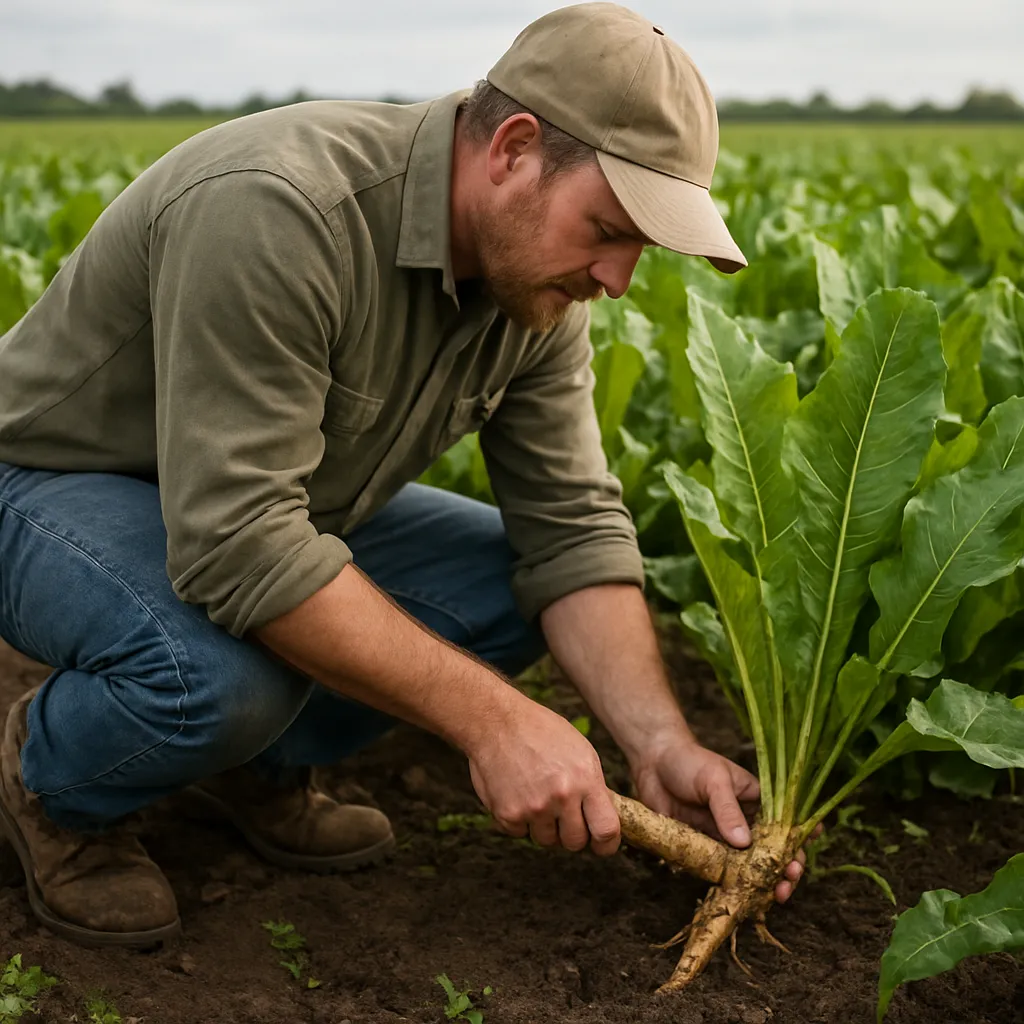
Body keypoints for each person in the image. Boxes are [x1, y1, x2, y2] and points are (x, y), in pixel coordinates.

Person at [0, 2, 804, 948]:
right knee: (211, 677)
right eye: (609, 227)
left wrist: (657, 742)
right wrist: (496, 723)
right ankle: (46, 784)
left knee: (509, 583)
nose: (619, 277)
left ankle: (249, 768)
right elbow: (237, 543)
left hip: (254, 514)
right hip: (47, 486)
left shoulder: (535, 290)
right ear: (511, 148)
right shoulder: (282, 206)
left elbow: (573, 530)